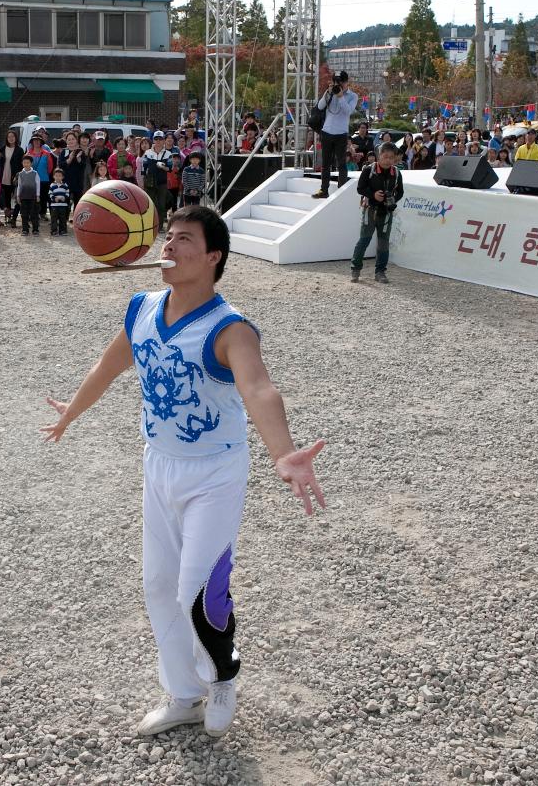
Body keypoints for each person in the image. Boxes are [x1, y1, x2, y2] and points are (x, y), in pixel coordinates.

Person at [40, 205, 327, 739]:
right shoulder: (142, 307)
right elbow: (110, 365)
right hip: (158, 465)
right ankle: (182, 695)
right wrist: (72, 413)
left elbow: (258, 389)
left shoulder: (230, 327)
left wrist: (283, 453)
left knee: (199, 588)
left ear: (214, 257)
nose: (168, 247)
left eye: (185, 239)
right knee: (157, 585)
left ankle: (221, 677)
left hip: (215, 471)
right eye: (168, 237)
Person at [351, 144, 404, 284]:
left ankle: (380, 272)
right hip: (370, 210)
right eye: (385, 157)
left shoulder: (397, 173)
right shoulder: (369, 169)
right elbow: (360, 188)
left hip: (386, 212)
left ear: (395, 159)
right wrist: (373, 195)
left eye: (391, 158)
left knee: (383, 243)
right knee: (364, 240)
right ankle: (355, 269)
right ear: (379, 156)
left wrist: (392, 199)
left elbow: (400, 192)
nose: (388, 160)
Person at [313, 71, 358, 199]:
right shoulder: (330, 92)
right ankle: (324, 190)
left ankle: (341, 190)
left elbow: (348, 111)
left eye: (341, 82)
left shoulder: (352, 96)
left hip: (341, 134)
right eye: (336, 81)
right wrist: (328, 93)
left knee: (341, 163)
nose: (339, 84)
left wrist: (340, 96)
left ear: (346, 82)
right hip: (327, 131)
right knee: (325, 164)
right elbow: (320, 107)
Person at [141, 134, 174, 232]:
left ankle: (159, 227)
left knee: (161, 205)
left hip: (162, 183)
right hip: (149, 182)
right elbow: (144, 168)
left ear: (163, 140)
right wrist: (143, 182)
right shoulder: (147, 152)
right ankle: (150, 225)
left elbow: (170, 169)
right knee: (150, 204)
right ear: (153, 140)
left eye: (160, 139)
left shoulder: (168, 154)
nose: (158, 141)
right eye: (156, 139)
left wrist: (162, 167)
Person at [16, 155, 41, 236]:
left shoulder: (35, 173)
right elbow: (19, 185)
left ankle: (35, 230)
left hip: (33, 196)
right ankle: (25, 230)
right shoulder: (20, 174)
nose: (26, 164)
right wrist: (18, 196)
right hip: (23, 196)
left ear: (31, 163)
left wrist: (38, 195)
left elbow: (38, 184)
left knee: (34, 214)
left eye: (28, 162)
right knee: (24, 214)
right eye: (24, 162)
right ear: (22, 163)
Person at [47, 169, 72, 237]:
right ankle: (54, 231)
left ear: (62, 177)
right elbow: (50, 194)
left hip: (63, 205)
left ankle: (63, 230)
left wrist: (64, 197)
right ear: (53, 176)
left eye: (60, 176)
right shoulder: (52, 185)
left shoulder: (65, 185)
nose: (58, 177)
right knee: (54, 219)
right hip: (54, 205)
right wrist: (54, 198)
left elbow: (67, 193)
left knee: (63, 218)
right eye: (56, 176)